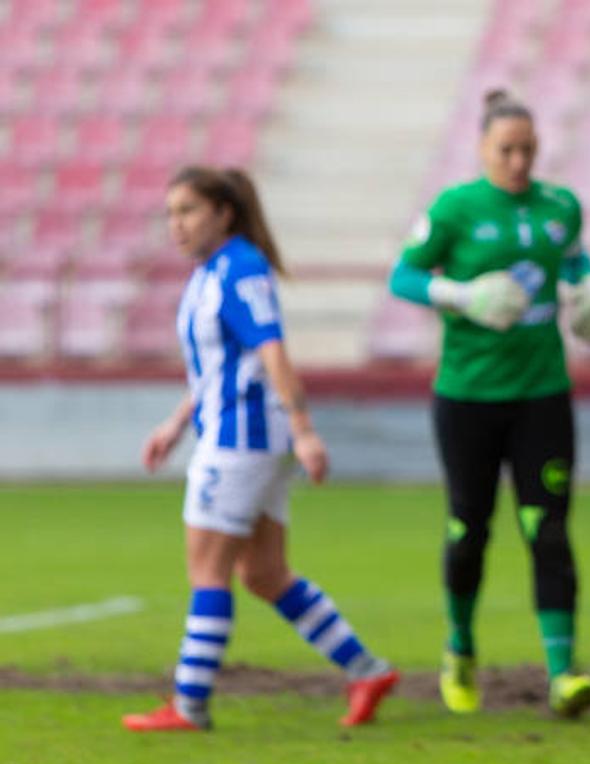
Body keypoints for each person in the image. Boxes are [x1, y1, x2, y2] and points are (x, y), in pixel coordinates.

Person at [123, 167, 399, 732]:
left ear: (223, 214)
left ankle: (190, 704)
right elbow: (219, 366)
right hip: (241, 435)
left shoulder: (239, 267)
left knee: (208, 570)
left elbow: (272, 351)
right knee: (265, 573)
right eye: (171, 212)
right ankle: (367, 670)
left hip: (239, 439)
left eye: (188, 211)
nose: (176, 224)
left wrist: (305, 428)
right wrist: (177, 422)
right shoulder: (211, 273)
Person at [388, 90, 590, 718]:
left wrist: (585, 285)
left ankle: (563, 672)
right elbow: (403, 276)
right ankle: (459, 647)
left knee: (549, 528)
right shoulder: (455, 209)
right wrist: (460, 295)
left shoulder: (561, 207)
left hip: (542, 395)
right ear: (483, 149)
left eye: (527, 150)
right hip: (468, 397)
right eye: (507, 149)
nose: (518, 160)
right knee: (468, 530)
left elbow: (571, 257)